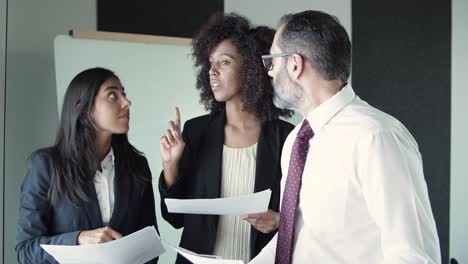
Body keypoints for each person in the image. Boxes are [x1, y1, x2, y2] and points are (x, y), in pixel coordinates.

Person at [251, 10, 441, 264]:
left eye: (272, 61)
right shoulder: (295, 141)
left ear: (295, 64)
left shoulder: (376, 137)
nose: (270, 72)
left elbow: (414, 255)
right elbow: (295, 236)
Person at [158, 13, 294, 263]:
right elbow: (174, 219)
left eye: (224, 62)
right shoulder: (196, 132)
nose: (212, 71)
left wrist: (277, 220)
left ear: (252, 67)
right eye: (210, 63)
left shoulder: (286, 138)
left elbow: (304, 217)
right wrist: (170, 164)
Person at [16, 67, 158, 263]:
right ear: (85, 110)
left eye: (123, 94)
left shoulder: (137, 166)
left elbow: (149, 246)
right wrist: (78, 239)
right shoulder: (47, 165)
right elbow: (26, 250)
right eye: (112, 95)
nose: (127, 102)